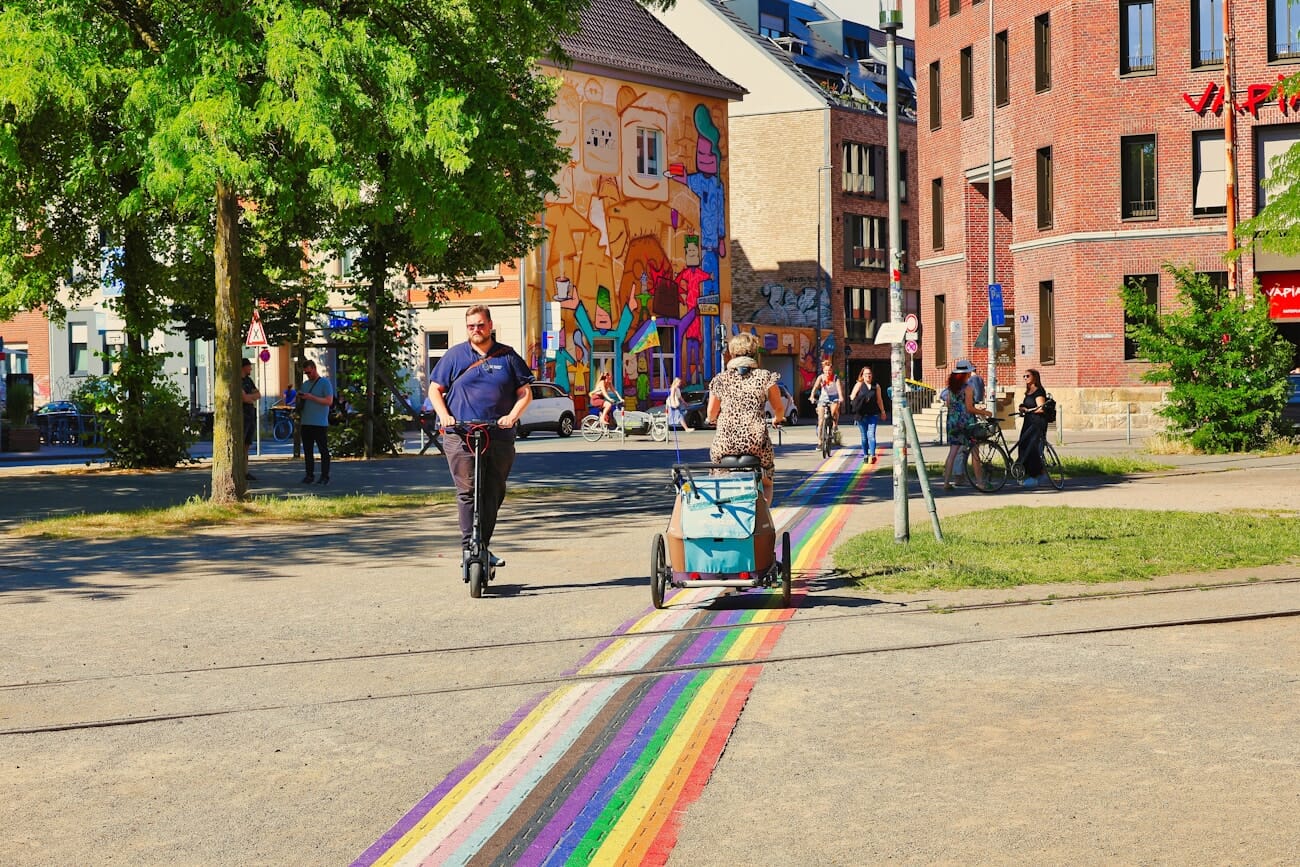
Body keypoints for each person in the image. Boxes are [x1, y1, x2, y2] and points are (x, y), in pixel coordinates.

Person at [428, 305, 533, 569]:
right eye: (471, 326)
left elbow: (525, 393)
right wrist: (444, 415)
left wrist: (512, 416)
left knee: (493, 491)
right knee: (468, 491)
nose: (476, 330)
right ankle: (469, 549)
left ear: (490, 325)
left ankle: (483, 546)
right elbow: (434, 390)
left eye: (480, 325)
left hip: (498, 434)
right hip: (461, 434)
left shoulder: (508, 356)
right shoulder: (454, 356)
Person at [705, 332, 783, 505]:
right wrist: (778, 418)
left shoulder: (721, 379)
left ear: (732, 354)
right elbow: (778, 407)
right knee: (767, 476)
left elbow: (711, 412)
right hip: (756, 445)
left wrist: (713, 420)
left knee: (718, 473)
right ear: (754, 353)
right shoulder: (764, 377)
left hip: (725, 444)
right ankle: (763, 518)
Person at [942, 368, 992, 490]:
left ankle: (946, 482)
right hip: (967, 424)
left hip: (953, 423)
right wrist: (983, 412)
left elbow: (948, 405)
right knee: (975, 453)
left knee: (952, 453)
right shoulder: (968, 388)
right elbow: (969, 408)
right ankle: (980, 482)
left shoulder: (949, 390)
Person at [296, 359, 334, 485]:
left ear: (314, 368)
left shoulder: (325, 383)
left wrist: (311, 397)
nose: (308, 375)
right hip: (306, 422)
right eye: (306, 373)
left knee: (323, 450)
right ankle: (309, 475)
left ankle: (325, 475)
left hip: (319, 423)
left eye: (310, 372)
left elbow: (329, 401)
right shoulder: (305, 384)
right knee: (308, 451)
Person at [1016, 368, 1049, 483]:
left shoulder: (1038, 391)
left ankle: (1035, 475)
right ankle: (1026, 471)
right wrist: (1022, 408)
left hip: (1037, 422)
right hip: (1028, 421)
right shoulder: (1028, 391)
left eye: (1028, 376)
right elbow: (1026, 404)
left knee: (1032, 447)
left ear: (1034, 377)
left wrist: (1028, 410)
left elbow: (1041, 408)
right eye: (1024, 376)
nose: (1025, 378)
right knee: (1023, 444)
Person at [849, 366, 886, 463]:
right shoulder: (859, 385)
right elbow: (852, 396)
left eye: (869, 374)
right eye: (866, 374)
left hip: (872, 414)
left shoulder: (876, 386)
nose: (868, 376)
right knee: (864, 436)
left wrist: (882, 411)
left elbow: (879, 400)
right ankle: (865, 455)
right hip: (861, 415)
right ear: (862, 375)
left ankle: (873, 455)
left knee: (871, 435)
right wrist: (857, 399)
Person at [810, 358, 843, 440]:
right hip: (823, 397)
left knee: (833, 411)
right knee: (820, 421)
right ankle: (819, 441)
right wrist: (812, 395)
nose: (827, 372)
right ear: (823, 370)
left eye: (829, 370)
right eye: (826, 370)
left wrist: (841, 397)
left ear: (832, 370)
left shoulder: (835, 378)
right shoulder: (821, 377)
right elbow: (815, 387)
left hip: (834, 397)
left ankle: (835, 425)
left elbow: (839, 388)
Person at [240, 358, 260, 481]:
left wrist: (250, 397)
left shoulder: (248, 380)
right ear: (244, 367)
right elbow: (244, 398)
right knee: (241, 444)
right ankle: (238, 470)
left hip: (250, 413)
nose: (251, 369)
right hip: (242, 414)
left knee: (247, 444)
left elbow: (258, 395)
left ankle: (245, 471)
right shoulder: (238, 381)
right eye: (249, 366)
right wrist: (250, 397)